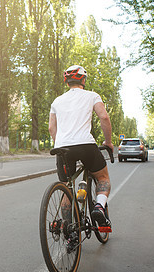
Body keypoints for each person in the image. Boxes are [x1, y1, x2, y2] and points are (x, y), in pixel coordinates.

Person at [48, 65, 113, 229]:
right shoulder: (92, 96)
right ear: (83, 80)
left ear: (66, 81)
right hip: (86, 145)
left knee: (66, 187)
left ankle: (68, 229)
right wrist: (108, 142)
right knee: (103, 178)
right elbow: (104, 117)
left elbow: (51, 128)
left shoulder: (57, 101)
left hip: (62, 147)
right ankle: (99, 206)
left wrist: (61, 144)